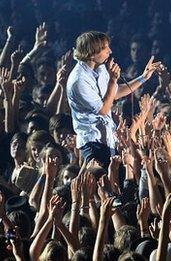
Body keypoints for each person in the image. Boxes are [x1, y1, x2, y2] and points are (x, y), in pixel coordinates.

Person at [66, 31, 162, 167]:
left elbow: (115, 92)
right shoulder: (79, 80)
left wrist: (143, 77)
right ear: (93, 52)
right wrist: (112, 80)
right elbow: (103, 109)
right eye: (105, 48)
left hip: (108, 140)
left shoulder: (100, 68)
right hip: (93, 143)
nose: (110, 51)